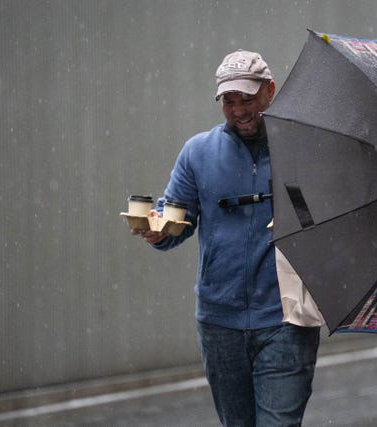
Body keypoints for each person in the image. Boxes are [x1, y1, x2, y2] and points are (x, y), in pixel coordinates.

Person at [132, 49, 320, 426]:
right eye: (229, 102)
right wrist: (157, 233)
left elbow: (328, 224)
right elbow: (175, 222)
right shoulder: (198, 153)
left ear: (270, 90)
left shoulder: (303, 150)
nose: (238, 110)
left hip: (286, 320)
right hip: (220, 325)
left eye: (247, 99)